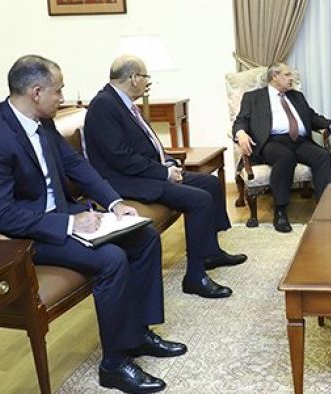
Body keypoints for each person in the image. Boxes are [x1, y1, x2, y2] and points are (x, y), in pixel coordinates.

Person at [0, 55, 185, 393]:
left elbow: (76, 165)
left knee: (144, 236)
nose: (62, 97)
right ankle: (114, 365)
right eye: (58, 90)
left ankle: (137, 334)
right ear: (36, 92)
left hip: (64, 217)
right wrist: (69, 225)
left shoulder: (43, 122)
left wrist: (115, 203)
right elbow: (3, 215)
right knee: (111, 259)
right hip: (29, 236)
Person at [85, 55, 245, 299]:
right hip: (126, 181)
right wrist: (163, 172)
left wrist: (169, 162)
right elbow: (120, 157)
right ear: (134, 78)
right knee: (199, 199)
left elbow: (148, 145)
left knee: (211, 183)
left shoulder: (123, 103)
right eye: (146, 77)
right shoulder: (103, 106)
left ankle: (210, 253)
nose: (148, 83)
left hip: (146, 173)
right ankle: (195, 277)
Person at [232, 62, 331, 233]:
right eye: (287, 74)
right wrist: (241, 133)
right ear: (275, 76)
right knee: (286, 157)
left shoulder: (296, 96)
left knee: (322, 156)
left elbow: (312, 117)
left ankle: (325, 210)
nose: (292, 78)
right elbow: (241, 120)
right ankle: (280, 211)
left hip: (299, 141)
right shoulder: (253, 97)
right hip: (272, 142)